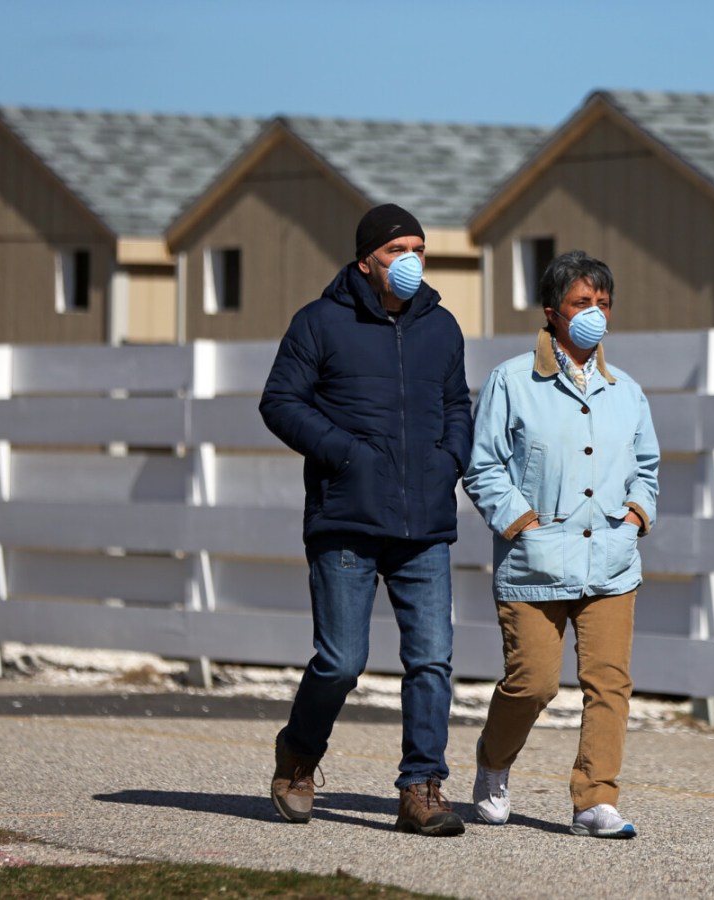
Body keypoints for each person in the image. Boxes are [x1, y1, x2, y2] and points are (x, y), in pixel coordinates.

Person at [259, 203, 471, 837]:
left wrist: (449, 460)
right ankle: (298, 755)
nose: (410, 261)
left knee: (431, 660)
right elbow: (280, 401)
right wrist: (347, 454)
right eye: (395, 251)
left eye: (418, 249)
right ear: (365, 263)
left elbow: (457, 406)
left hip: (424, 524)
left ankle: (421, 788)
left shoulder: (442, 326)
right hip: (346, 518)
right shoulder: (319, 321)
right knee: (341, 662)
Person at [462, 250, 660, 838]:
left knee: (609, 684)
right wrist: (522, 523)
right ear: (552, 312)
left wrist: (636, 515)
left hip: (612, 562)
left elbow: (646, 468)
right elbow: (483, 466)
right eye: (581, 302)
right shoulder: (511, 381)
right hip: (536, 563)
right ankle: (493, 761)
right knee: (534, 683)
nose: (595, 312)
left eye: (603, 302)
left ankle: (595, 800)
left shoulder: (627, 390)